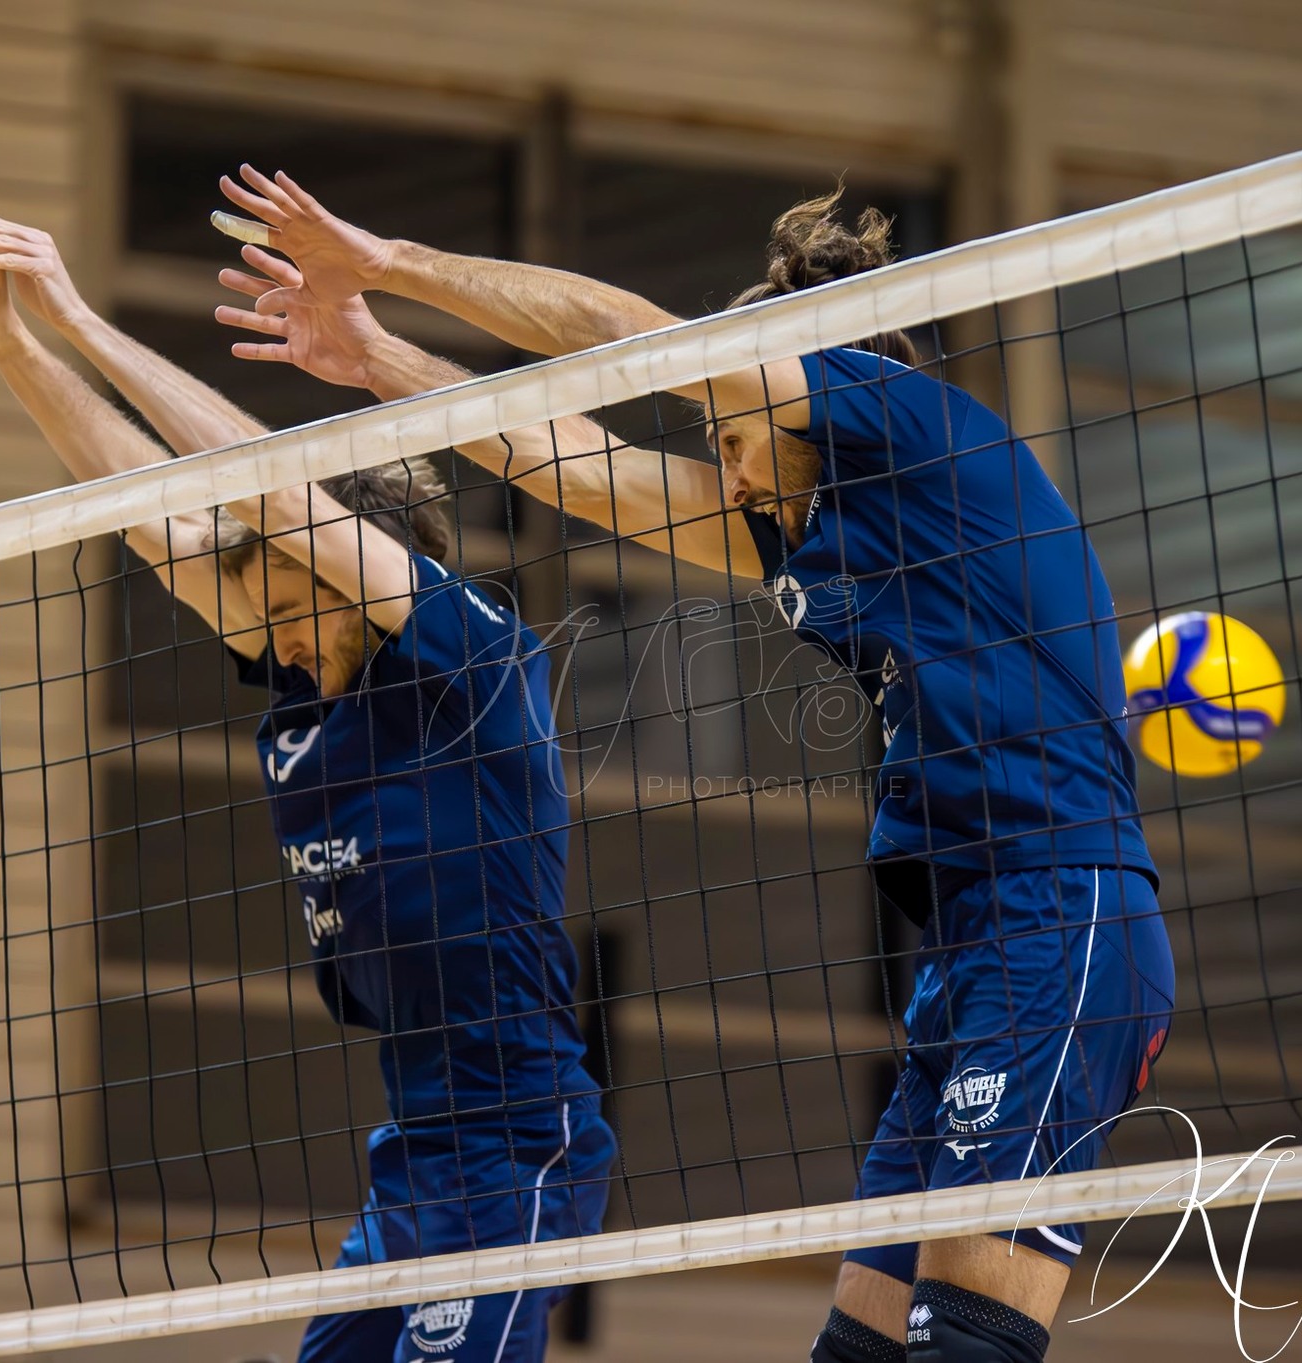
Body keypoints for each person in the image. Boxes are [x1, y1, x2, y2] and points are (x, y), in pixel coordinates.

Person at [213, 167, 1175, 1363]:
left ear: (799, 385)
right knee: (861, 1347)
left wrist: (388, 261)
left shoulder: (907, 421)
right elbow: (580, 470)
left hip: (1061, 915)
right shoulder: (843, 530)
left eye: (731, 437)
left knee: (963, 1341)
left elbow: (625, 336)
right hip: (969, 943)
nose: (727, 474)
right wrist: (374, 360)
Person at [0, 218, 613, 1363]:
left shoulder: (468, 660)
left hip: (516, 1144)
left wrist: (77, 318)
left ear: (358, 564)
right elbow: (147, 515)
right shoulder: (307, 684)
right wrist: (13, 347)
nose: (273, 638)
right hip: (417, 1153)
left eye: (285, 608)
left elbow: (271, 493)